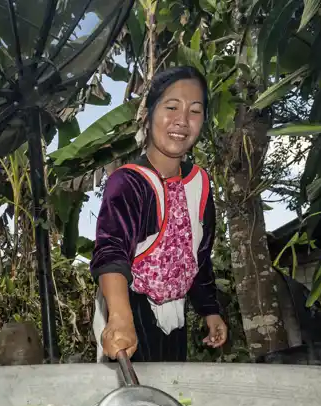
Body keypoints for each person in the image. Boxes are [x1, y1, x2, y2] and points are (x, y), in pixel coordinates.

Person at [90, 66, 228, 362]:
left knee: (171, 394)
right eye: (171, 107)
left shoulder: (199, 184)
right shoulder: (128, 182)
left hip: (175, 315)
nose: (182, 120)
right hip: (129, 308)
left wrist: (210, 311)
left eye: (195, 111)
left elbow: (198, 257)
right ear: (149, 113)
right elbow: (111, 251)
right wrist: (120, 318)